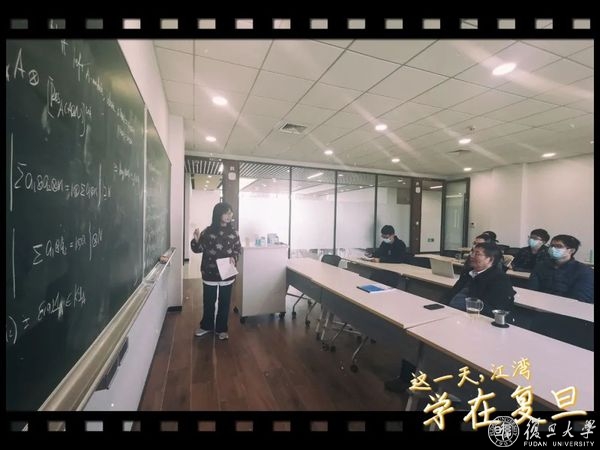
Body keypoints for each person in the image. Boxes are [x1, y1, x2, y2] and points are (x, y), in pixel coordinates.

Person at [190, 202, 242, 340]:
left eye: (230, 213)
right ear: (218, 214)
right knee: (209, 301)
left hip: (227, 273)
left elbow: (237, 249)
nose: (229, 215)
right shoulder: (207, 232)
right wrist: (196, 240)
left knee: (224, 302)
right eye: (226, 213)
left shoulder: (234, 233)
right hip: (210, 272)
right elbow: (198, 249)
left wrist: (234, 257)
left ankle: (221, 329)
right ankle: (206, 326)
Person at [447, 242, 516, 318]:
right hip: (453, 312)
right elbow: (452, 293)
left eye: (477, 254)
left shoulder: (499, 279)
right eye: (472, 252)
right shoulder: (468, 272)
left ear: (490, 259)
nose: (471, 256)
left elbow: (492, 309)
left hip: (473, 317)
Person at [528, 234, 594, 303]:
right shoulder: (541, 266)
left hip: (567, 307)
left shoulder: (585, 272)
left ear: (571, 251)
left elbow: (580, 300)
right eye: (551, 246)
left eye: (559, 246)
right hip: (540, 304)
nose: (553, 248)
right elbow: (531, 290)